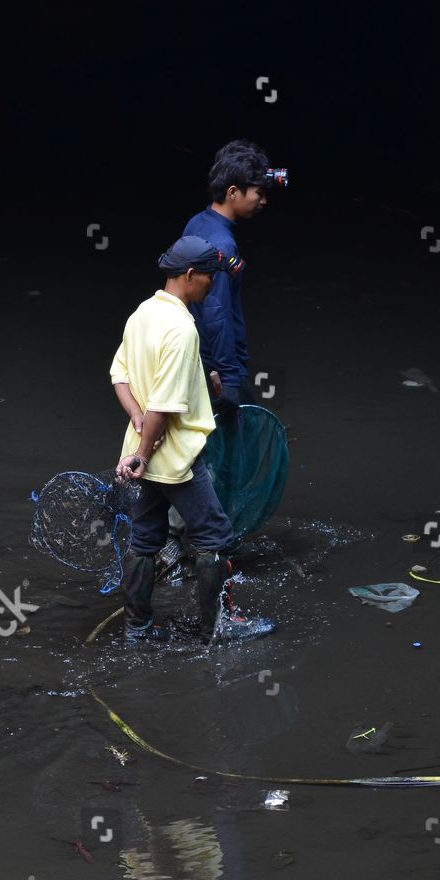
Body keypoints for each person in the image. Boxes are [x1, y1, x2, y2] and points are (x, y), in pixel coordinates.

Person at [109, 235, 275, 644]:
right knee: (215, 537)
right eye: (208, 279)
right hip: (174, 459)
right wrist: (147, 451)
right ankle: (217, 628)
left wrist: (136, 428)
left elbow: (121, 375)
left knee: (145, 537)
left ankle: (137, 627)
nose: (211, 286)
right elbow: (164, 407)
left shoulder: (142, 314)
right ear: (189, 275)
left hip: (141, 452)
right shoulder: (183, 328)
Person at [182, 139, 272, 415]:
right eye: (259, 193)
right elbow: (217, 313)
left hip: (197, 357)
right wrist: (230, 380)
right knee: (243, 445)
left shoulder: (197, 222)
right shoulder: (223, 245)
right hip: (216, 369)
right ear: (233, 192)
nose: (263, 201)